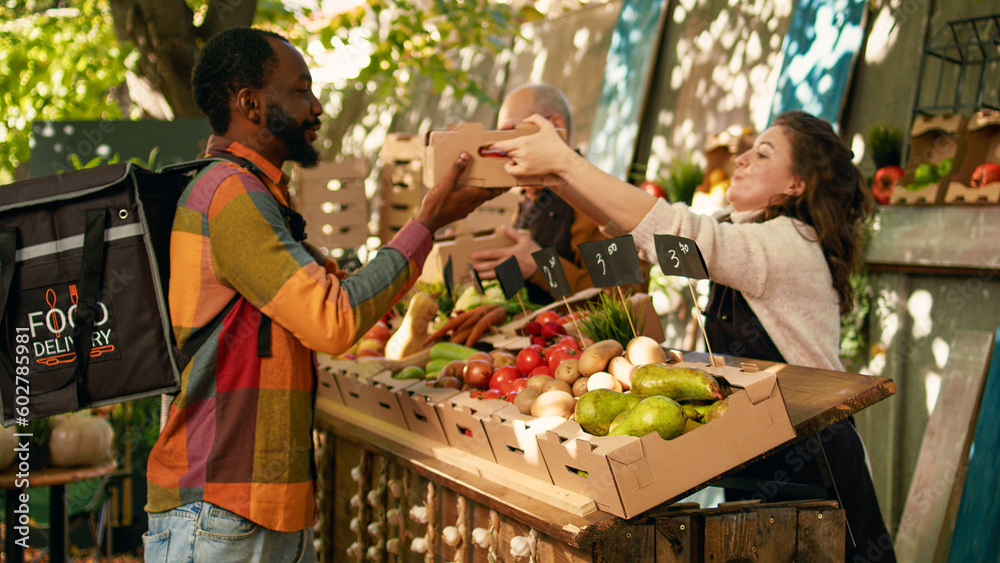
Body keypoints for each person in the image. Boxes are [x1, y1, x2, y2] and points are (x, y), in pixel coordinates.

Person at [142, 27, 497, 562]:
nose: (317, 106)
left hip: (249, 508)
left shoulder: (257, 194)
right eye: (302, 90)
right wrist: (427, 221)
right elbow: (332, 320)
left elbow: (331, 295)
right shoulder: (231, 194)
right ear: (252, 104)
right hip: (220, 510)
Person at [491, 111, 895, 562]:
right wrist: (560, 181)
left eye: (762, 153)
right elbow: (644, 233)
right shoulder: (747, 227)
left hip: (814, 457)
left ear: (797, 184)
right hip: (761, 442)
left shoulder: (790, 242)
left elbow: (685, 232)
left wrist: (568, 164)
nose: (740, 159)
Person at [469, 84, 648, 304]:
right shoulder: (528, 197)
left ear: (554, 126)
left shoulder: (595, 199)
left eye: (512, 133)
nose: (504, 148)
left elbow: (625, 296)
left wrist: (542, 266)